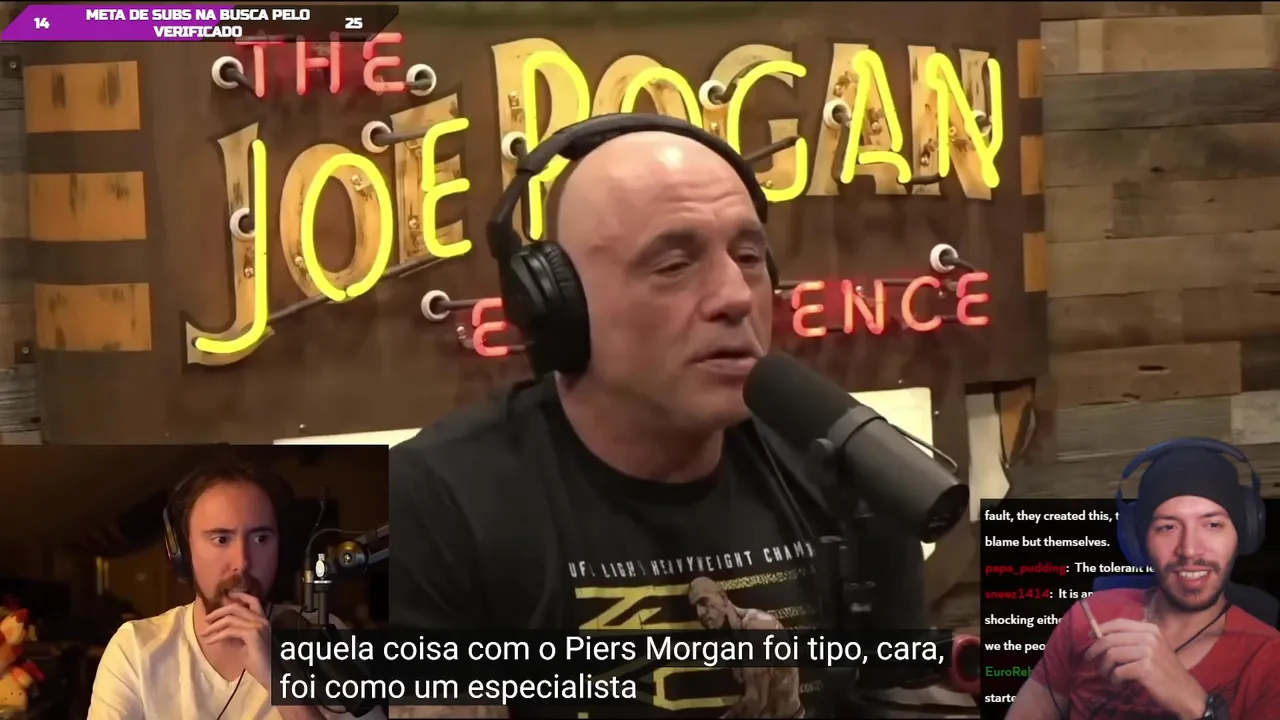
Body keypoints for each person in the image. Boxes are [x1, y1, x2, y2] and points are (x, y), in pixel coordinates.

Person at [389, 119, 932, 718]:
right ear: (559, 305)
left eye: (748, 257)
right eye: (673, 264)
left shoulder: (843, 465)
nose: (735, 295)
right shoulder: (436, 503)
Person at [87, 461, 384, 720]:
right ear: (182, 553)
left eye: (260, 539)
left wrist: (278, 681)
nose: (242, 562)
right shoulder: (135, 648)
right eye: (221, 539)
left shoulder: (324, 635)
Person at [1007, 446, 1280, 719]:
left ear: (1242, 533)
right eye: (1168, 527)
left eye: (1213, 525)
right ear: (1139, 542)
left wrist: (1197, 705)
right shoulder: (1089, 616)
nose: (1189, 550)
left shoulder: (1270, 657)